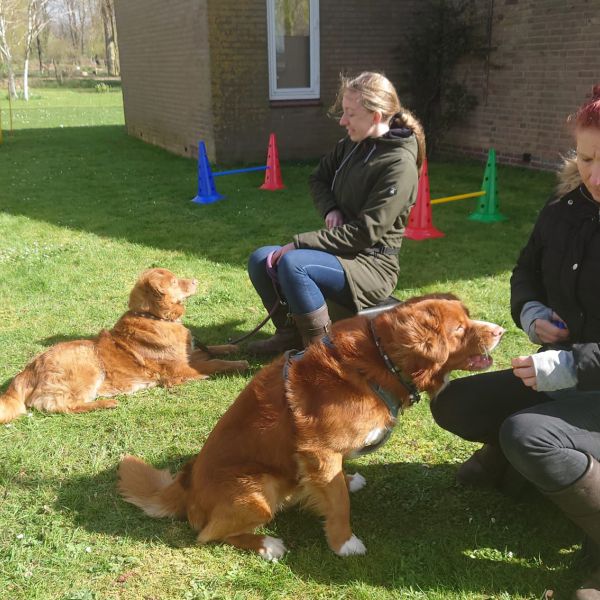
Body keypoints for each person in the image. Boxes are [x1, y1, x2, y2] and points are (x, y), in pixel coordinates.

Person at [430, 84, 600, 599]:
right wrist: (531, 311)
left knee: (530, 434)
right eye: (588, 158)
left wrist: (571, 366)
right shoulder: (565, 207)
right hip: (565, 373)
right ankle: (522, 465)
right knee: (456, 402)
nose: (595, 174)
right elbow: (526, 269)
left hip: (586, 379)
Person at [246, 72, 425, 353]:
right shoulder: (350, 146)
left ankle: (320, 353)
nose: (343, 121)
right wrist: (331, 208)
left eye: (350, 114)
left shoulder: (398, 165)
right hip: (342, 252)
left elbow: (365, 233)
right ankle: (289, 334)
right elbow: (318, 179)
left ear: (376, 116)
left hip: (372, 265)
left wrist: (300, 243)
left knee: (295, 263)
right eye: (344, 112)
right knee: (260, 259)